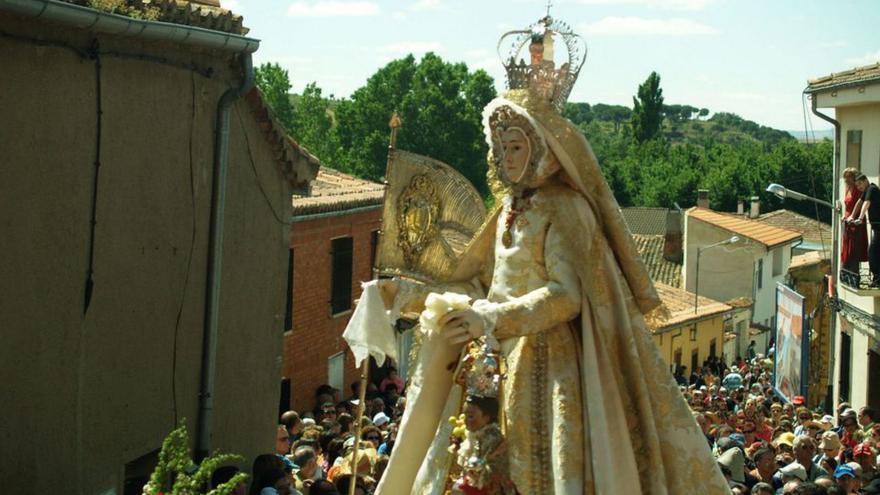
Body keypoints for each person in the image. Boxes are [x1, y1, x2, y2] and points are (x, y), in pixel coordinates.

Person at [372, 13, 728, 495]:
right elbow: (476, 283)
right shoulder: (507, 208)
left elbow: (566, 296)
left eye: (514, 145)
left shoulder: (567, 208)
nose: (504, 158)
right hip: (497, 360)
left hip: (556, 366)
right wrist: (408, 295)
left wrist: (493, 319)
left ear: (543, 148)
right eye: (498, 146)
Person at [842, 167, 869, 275]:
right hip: (848, 222)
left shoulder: (858, 189)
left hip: (856, 222)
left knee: (854, 249)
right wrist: (845, 216)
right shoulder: (847, 189)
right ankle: (847, 273)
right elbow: (847, 205)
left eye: (849, 178)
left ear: (854, 178)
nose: (846, 181)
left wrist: (854, 217)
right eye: (845, 178)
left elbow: (860, 204)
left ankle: (853, 274)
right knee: (847, 250)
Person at [854, 174, 880, 286]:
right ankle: (877, 279)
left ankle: (877, 279)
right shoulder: (867, 191)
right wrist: (851, 216)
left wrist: (860, 218)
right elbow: (859, 202)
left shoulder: (872, 189)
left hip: (879, 227)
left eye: (860, 184)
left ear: (865, 180)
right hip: (876, 227)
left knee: (872, 252)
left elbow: (866, 203)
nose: (858, 187)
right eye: (857, 185)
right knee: (876, 252)